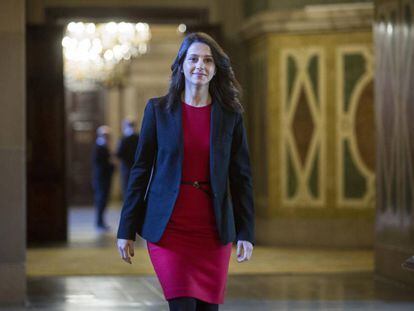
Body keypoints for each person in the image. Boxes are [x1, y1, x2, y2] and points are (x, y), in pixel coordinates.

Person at [117, 32, 254, 311]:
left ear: (216, 69)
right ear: (181, 64)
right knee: (182, 305)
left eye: (207, 60)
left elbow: (241, 177)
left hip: (213, 230)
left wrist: (246, 232)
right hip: (170, 229)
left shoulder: (231, 116)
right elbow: (140, 170)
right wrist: (126, 228)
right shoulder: (158, 110)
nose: (199, 66)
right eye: (193, 59)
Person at [92, 125, 115, 231]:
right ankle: (99, 222)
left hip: (104, 179)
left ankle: (101, 222)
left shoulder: (104, 146)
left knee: (103, 201)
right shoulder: (99, 147)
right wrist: (112, 166)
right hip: (101, 179)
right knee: (101, 201)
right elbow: (102, 164)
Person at [116, 118, 139, 199]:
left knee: (126, 188)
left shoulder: (123, 139)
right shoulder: (139, 138)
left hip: (126, 168)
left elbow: (119, 154)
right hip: (137, 167)